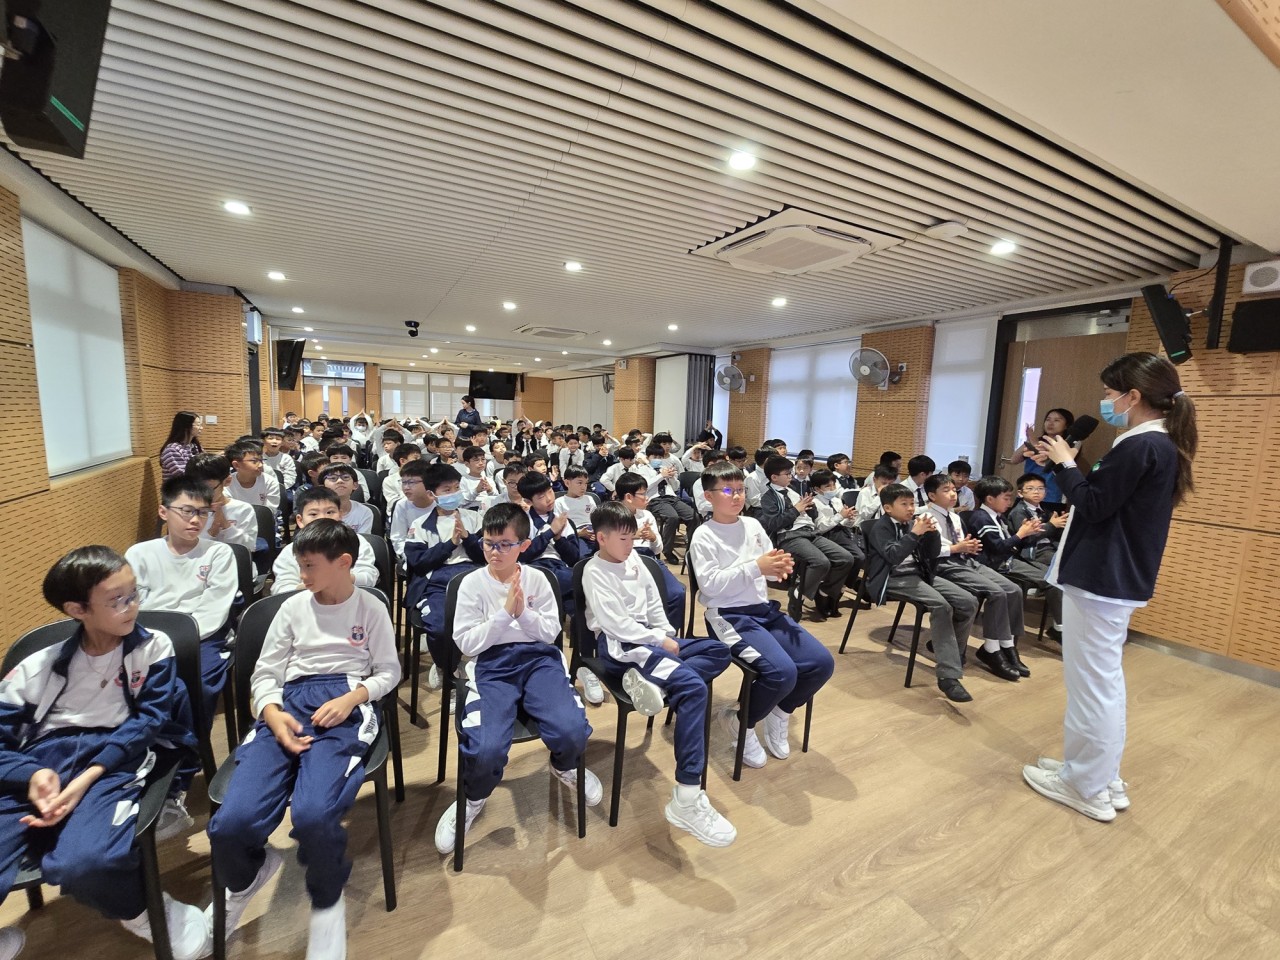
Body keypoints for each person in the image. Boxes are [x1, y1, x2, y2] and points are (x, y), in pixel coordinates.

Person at [0, 548, 208, 960]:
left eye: (134, 594)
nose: (132, 607)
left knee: (85, 863)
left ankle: (144, 911)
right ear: (77, 609)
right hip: (41, 757)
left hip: (113, 758)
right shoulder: (38, 666)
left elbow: (149, 721)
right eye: (117, 600)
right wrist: (32, 776)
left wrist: (87, 777)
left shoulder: (151, 649)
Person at [207, 520, 400, 960]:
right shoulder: (293, 607)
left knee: (314, 814)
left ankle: (327, 903)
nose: (302, 575)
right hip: (288, 702)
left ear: (343, 563)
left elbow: (389, 671)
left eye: (310, 566)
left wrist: (353, 698)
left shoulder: (369, 608)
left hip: (344, 701)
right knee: (233, 823)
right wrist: (271, 714)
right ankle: (247, 877)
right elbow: (265, 674)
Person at [1023, 352, 1197, 822]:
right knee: (1102, 684)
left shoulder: (1141, 445)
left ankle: (1085, 785)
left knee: (1092, 688)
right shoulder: (1157, 444)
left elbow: (1094, 504)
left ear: (1133, 396)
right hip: (1113, 578)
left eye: (1108, 393)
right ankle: (1099, 775)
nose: (1104, 401)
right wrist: (1066, 465)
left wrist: (1065, 463)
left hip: (1102, 579)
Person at [433, 503, 603, 855]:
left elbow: (549, 633)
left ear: (524, 545)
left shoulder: (537, 579)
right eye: (488, 543)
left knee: (571, 729)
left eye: (504, 544)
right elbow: (467, 644)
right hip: (492, 664)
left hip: (539, 660)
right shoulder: (471, 584)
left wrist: (522, 612)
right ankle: (473, 797)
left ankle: (564, 767)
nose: (494, 552)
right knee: (486, 747)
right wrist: (504, 614)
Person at [583, 502, 735, 846]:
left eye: (632, 537)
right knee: (693, 688)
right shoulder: (594, 571)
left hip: (651, 642)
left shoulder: (634, 559)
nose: (630, 544)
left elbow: (655, 603)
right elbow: (615, 625)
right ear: (602, 538)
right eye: (623, 539)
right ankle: (687, 795)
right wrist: (658, 641)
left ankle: (655, 685)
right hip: (623, 647)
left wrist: (666, 635)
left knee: (719, 650)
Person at [689, 461, 835, 770]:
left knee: (821, 663)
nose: (736, 496)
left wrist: (777, 569)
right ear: (709, 496)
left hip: (762, 610)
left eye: (740, 489)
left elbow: (767, 568)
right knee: (782, 672)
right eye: (727, 491)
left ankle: (780, 712)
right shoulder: (704, 535)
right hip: (728, 616)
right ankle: (741, 721)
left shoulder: (753, 526)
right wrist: (757, 567)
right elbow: (710, 585)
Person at [126, 475, 238, 835]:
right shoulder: (140, 554)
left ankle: (177, 780)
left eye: (203, 513)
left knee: (196, 689)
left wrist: (178, 639)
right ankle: (139, 769)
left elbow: (214, 608)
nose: (195, 520)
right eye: (187, 511)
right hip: (149, 640)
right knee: (134, 690)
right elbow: (135, 606)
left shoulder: (217, 553)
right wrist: (158, 640)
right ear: (164, 512)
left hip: (202, 639)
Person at [864, 482, 977, 703]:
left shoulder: (911, 523)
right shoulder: (881, 527)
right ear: (888, 508)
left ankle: (949, 650)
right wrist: (915, 533)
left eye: (912, 503)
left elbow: (931, 554)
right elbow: (894, 556)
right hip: (893, 578)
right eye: (904, 504)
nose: (910, 508)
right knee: (941, 606)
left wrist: (932, 534)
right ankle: (948, 676)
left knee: (968, 601)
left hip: (920, 574)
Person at [923, 474, 1025, 683]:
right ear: (932, 496)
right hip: (943, 564)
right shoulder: (926, 517)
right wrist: (957, 548)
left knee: (1014, 589)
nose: (953, 494)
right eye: (946, 490)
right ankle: (991, 648)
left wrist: (969, 546)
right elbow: (929, 550)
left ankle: (1007, 643)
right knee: (996, 593)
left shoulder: (955, 517)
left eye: (953, 490)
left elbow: (962, 543)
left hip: (966, 561)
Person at [403, 463, 485, 683]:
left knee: (494, 621)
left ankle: (480, 669)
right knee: (440, 628)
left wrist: (468, 538)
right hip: (437, 583)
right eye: (447, 490)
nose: (454, 493)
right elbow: (419, 563)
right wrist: (450, 544)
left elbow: (484, 557)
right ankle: (447, 668)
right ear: (432, 494)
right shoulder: (420, 525)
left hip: (473, 579)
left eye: (456, 487)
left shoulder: (474, 518)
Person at [757, 456, 855, 622]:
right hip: (790, 536)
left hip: (810, 532)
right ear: (774, 477)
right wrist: (796, 509)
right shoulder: (768, 497)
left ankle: (823, 591)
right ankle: (798, 593)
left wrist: (811, 506)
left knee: (846, 558)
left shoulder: (793, 491)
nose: (791, 476)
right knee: (821, 562)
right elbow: (774, 524)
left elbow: (812, 515)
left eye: (790, 473)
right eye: (787, 474)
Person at [966, 475, 1062, 644]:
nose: (1009, 502)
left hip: (1009, 559)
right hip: (996, 564)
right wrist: (1021, 534)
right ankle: (1057, 628)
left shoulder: (997, 515)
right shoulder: (981, 517)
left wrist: (1026, 532)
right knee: (1048, 580)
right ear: (990, 499)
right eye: (1006, 498)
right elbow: (998, 548)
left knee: (1053, 576)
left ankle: (1009, 641)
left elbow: (1009, 543)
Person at [615, 472, 687, 633]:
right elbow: (607, 547)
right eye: (642, 494)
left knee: (677, 593)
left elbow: (658, 549)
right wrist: (632, 536)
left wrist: (653, 537)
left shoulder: (646, 515)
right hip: (623, 561)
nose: (647, 497)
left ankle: (668, 634)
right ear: (628, 497)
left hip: (649, 558)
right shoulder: (612, 515)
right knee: (635, 598)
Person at [272, 488, 379, 594]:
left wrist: (339, 579)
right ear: (300, 520)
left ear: (340, 515)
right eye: (313, 514)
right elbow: (280, 589)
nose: (323, 518)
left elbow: (369, 577)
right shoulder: (290, 551)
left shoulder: (358, 542)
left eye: (330, 512)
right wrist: (314, 584)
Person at [186, 452, 258, 552]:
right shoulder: (185, 510)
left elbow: (249, 547)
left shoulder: (243, 510)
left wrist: (225, 524)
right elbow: (184, 548)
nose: (201, 494)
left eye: (208, 489)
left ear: (227, 481)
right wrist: (212, 532)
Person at [1009, 408, 1078, 507]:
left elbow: (1045, 458)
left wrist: (1033, 440)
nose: (1050, 423)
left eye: (1056, 420)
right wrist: (1029, 440)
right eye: (1048, 419)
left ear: (1066, 425)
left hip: (1052, 495)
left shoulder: (1069, 444)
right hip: (1027, 493)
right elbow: (1014, 460)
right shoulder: (1035, 440)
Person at [645, 443, 697, 564]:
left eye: (660, 457)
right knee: (672, 517)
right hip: (655, 499)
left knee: (693, 516)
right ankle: (667, 550)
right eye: (654, 457)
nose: (658, 459)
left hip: (672, 497)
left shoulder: (665, 468)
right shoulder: (642, 469)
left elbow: (675, 487)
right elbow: (645, 486)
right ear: (648, 457)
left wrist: (672, 477)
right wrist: (660, 476)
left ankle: (691, 550)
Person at [319, 463, 375, 534]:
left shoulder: (364, 512)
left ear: (355, 485)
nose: (340, 481)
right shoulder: (315, 512)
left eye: (345, 477)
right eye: (333, 478)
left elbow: (362, 540)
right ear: (322, 486)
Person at [226, 440, 281, 511]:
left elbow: (269, 511)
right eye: (254, 461)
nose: (260, 465)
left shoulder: (270, 482)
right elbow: (227, 510)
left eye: (261, 460)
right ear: (236, 465)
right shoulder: (226, 483)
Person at [159, 410, 203, 480]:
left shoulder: (194, 445)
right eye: (198, 425)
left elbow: (205, 461)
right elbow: (183, 475)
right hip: (181, 486)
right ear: (186, 427)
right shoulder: (172, 450)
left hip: (195, 485)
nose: (201, 428)